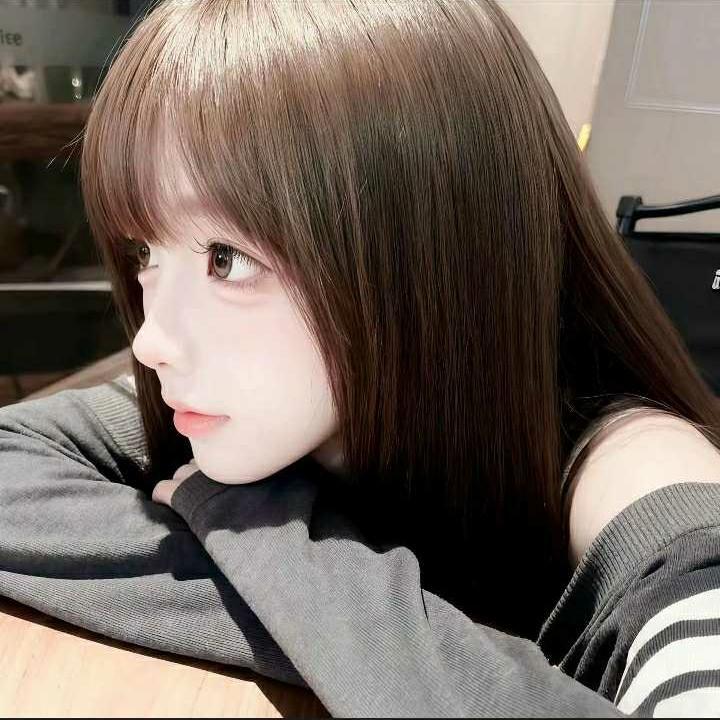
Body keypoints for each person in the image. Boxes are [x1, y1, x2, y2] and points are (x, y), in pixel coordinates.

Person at [2, 0, 720, 715]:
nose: (151, 341)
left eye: (225, 258)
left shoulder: (639, 472)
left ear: (425, 246)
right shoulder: (261, 406)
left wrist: (260, 537)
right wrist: (301, 596)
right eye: (144, 251)